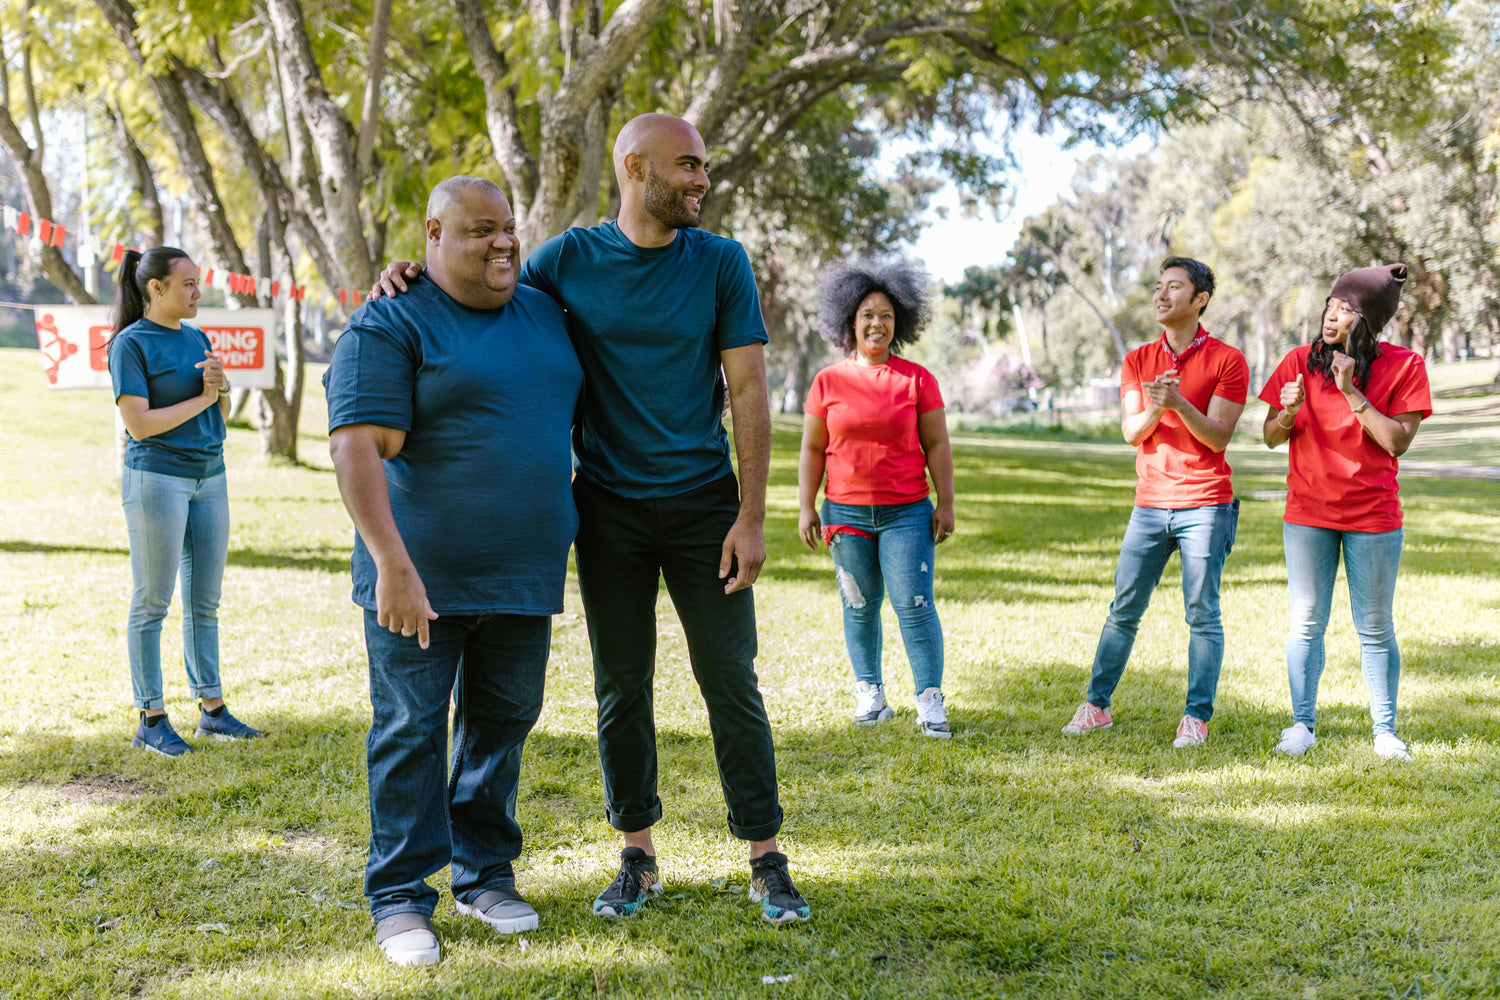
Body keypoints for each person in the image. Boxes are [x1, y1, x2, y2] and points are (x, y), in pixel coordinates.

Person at [372, 114, 810, 925]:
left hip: (704, 506)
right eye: (688, 167)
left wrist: (752, 515)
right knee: (620, 686)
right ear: (635, 167)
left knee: (730, 679)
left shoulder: (719, 262)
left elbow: (748, 390)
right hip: (603, 509)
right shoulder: (567, 259)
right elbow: (484, 285)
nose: (701, 181)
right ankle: (637, 855)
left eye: (704, 167)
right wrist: (411, 273)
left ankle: (765, 855)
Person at [325, 177, 583, 966]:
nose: (503, 242)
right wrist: (390, 562)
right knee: (410, 730)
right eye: (479, 231)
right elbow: (355, 446)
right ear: (433, 234)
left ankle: (484, 874)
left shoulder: (545, 310)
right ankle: (400, 896)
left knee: (503, 724)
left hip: (523, 576)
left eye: (508, 227)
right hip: (418, 579)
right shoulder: (390, 320)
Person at [1061, 257, 1248, 747]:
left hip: (1205, 503)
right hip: (1149, 505)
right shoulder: (1137, 360)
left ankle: (1196, 718)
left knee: (1202, 612)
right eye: (1158, 287)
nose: (1161, 295)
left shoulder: (1229, 361)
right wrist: (1157, 406)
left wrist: (1180, 402)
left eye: (1174, 287)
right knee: (1123, 607)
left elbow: (1218, 438)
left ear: (1200, 299)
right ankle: (1096, 706)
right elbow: (1131, 432)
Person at [1259, 263, 1429, 761]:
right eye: (1331, 305)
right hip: (1308, 512)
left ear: (1369, 321)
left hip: (1373, 516)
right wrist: (1287, 412)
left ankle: (1385, 731)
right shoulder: (1298, 361)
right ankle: (1301, 725)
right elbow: (1269, 436)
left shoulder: (1405, 366)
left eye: (1347, 309)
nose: (1332, 315)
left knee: (1374, 625)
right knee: (1306, 621)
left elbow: (1397, 442)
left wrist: (1353, 391)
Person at [108, 247, 265, 757]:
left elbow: (216, 407)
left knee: (205, 601)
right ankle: (151, 719)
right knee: (152, 601)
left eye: (198, 283)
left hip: (209, 477)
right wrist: (202, 397)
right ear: (156, 288)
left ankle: (213, 711)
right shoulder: (129, 345)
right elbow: (140, 424)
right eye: (188, 284)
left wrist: (219, 390)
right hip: (157, 480)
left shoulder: (198, 336)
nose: (198, 293)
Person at [797, 260, 956, 736]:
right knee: (859, 605)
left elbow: (938, 446)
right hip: (844, 512)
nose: (876, 324)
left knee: (914, 603)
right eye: (867, 314)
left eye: (886, 316)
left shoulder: (917, 379)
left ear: (899, 322)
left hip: (906, 513)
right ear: (851, 321)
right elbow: (811, 447)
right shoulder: (828, 382)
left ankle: (930, 699)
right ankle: (871, 694)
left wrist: (945, 503)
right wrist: (807, 505)